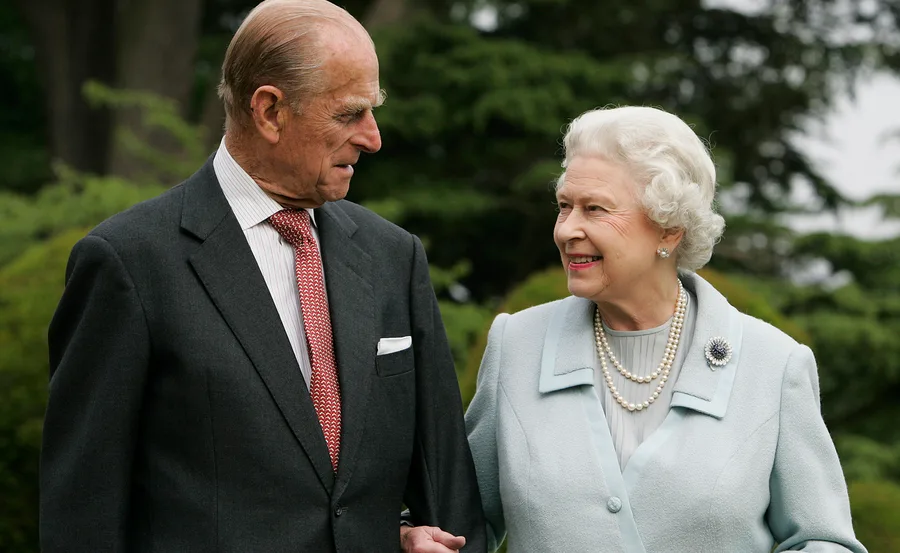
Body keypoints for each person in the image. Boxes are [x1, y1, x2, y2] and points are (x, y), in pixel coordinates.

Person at [40, 1, 486, 551]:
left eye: (373, 111)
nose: (373, 138)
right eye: (349, 114)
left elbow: (446, 490)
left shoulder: (394, 256)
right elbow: (83, 514)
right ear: (270, 111)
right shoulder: (128, 262)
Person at [405, 106, 866, 553]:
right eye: (565, 206)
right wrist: (412, 535)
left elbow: (823, 540)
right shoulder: (517, 345)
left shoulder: (774, 364)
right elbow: (460, 522)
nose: (568, 230)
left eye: (596, 209)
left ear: (669, 230)